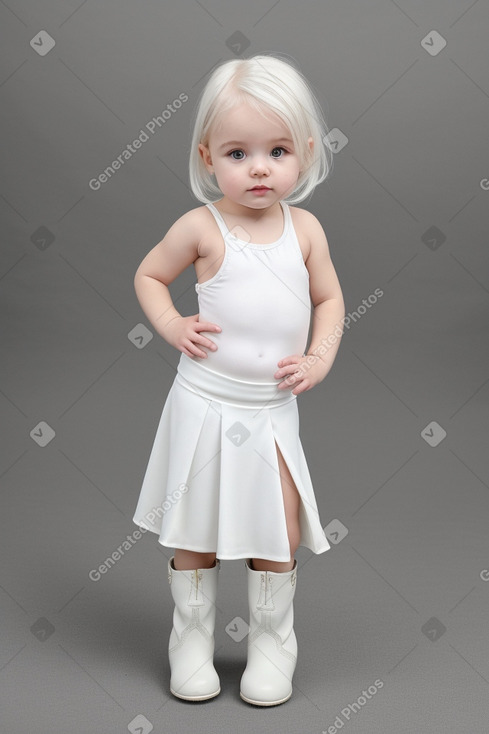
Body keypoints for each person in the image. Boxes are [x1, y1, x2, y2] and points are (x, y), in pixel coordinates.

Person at [132, 53, 345, 706]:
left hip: (270, 410)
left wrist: (317, 357)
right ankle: (190, 639)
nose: (258, 167)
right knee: (193, 528)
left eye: (277, 150)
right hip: (203, 403)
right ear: (206, 157)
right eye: (237, 152)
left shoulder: (304, 230)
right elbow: (147, 275)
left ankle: (272, 643)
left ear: (305, 153)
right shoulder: (201, 226)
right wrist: (172, 326)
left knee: (275, 530)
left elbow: (330, 301)